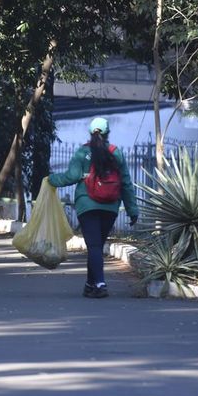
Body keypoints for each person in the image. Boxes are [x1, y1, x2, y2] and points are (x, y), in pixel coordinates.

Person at [47, 117, 138, 298]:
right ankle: (90, 284)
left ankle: (100, 283)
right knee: (96, 245)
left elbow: (71, 176)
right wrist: (132, 210)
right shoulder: (116, 153)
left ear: (90, 133)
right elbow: (126, 183)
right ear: (108, 134)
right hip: (110, 207)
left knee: (94, 246)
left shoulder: (82, 152)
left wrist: (51, 180)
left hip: (87, 205)